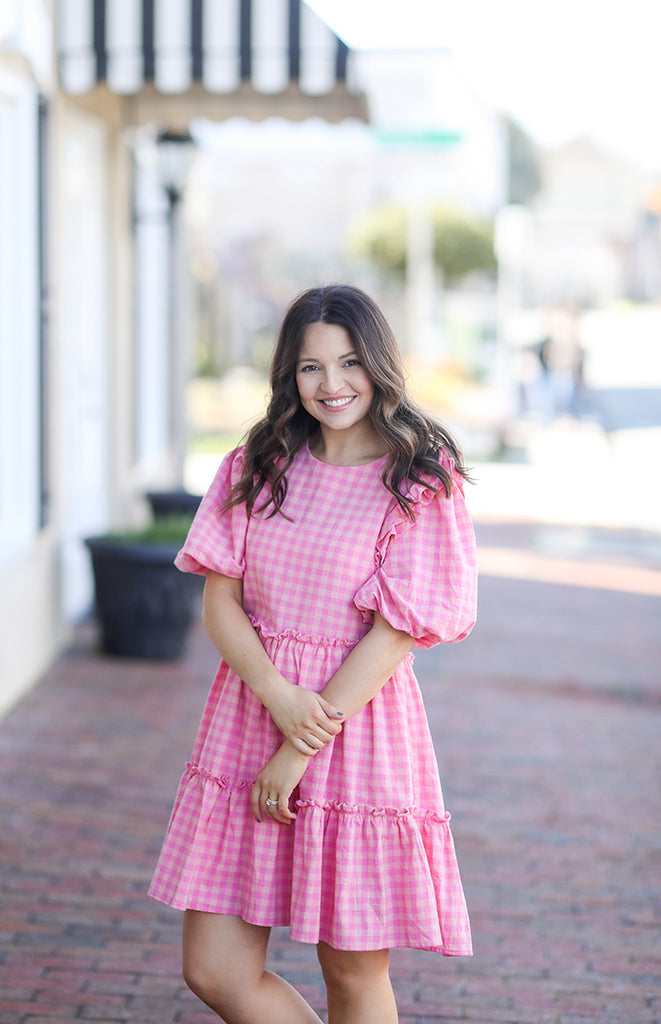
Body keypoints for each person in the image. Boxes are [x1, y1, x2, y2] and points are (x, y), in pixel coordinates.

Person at [148, 284, 478, 1024]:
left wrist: (298, 745)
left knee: (351, 971)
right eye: (310, 367)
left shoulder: (419, 480)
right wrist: (274, 695)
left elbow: (394, 633)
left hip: (353, 733)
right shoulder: (254, 465)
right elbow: (219, 598)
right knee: (215, 970)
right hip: (249, 715)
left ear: (379, 365)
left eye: (350, 362)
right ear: (287, 375)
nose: (331, 385)